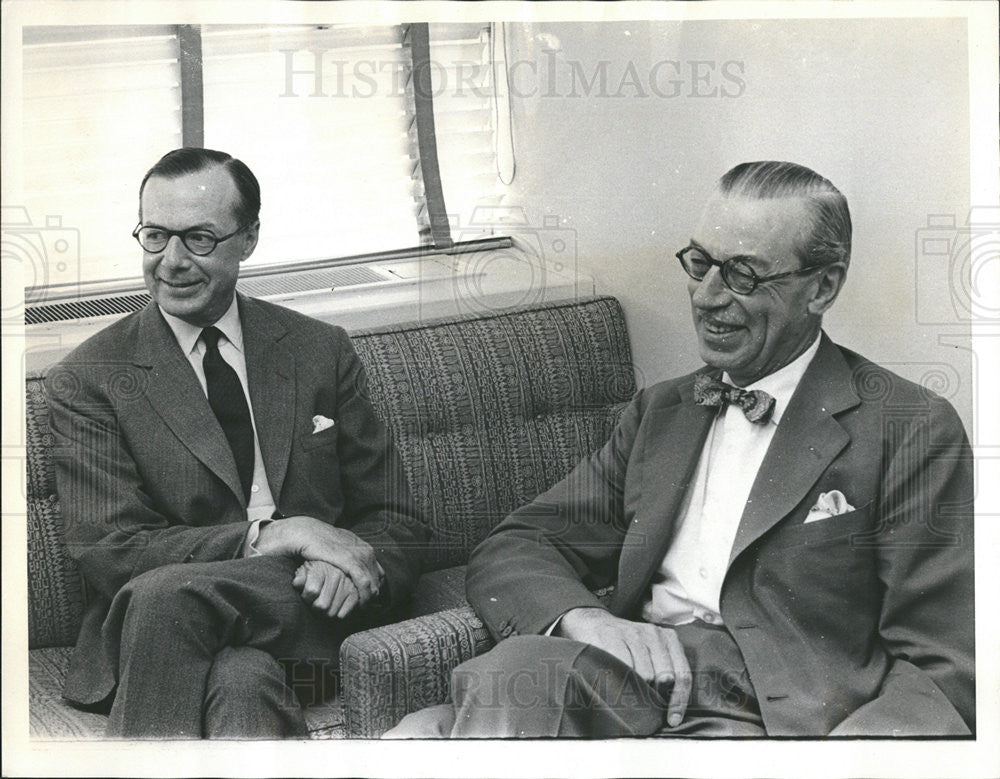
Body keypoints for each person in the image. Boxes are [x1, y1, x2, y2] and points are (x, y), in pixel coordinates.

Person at [385, 160, 975, 738]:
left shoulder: (909, 426)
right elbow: (521, 543)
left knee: (453, 725)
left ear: (821, 287)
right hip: (638, 683)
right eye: (700, 264)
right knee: (520, 672)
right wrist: (586, 619)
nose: (707, 297)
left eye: (743, 275)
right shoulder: (662, 412)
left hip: (785, 716)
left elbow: (944, 666)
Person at [46, 147, 427, 738]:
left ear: (248, 239)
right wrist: (275, 536)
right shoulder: (90, 377)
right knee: (240, 678)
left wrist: (345, 568)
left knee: (169, 598)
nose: (171, 262)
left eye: (198, 238)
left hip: (310, 622)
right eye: (154, 236)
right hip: (169, 645)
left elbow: (397, 519)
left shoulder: (318, 350)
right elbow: (111, 550)